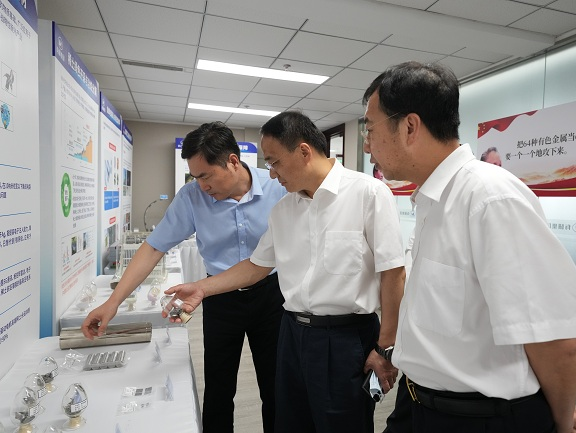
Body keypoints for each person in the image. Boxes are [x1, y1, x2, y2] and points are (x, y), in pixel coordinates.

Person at [362, 61, 576, 433]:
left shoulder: (490, 199)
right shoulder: (433, 199)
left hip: (478, 418)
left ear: (410, 127)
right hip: (417, 403)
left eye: (370, 128)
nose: (367, 144)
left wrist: (559, 420)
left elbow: (556, 341)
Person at [163, 111, 406, 433]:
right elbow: (256, 266)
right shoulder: (284, 210)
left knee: (341, 424)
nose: (272, 174)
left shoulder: (368, 194)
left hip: (345, 338)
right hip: (291, 335)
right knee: (288, 421)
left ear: (304, 152)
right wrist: (202, 288)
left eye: (275, 162)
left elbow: (393, 273)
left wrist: (385, 348)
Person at [81, 121, 287, 433]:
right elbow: (153, 247)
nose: (201, 185)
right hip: (219, 298)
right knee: (218, 389)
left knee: (276, 387)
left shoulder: (276, 187)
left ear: (233, 161)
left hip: (271, 297)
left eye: (206, 175)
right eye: (195, 177)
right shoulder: (192, 197)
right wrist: (113, 302)